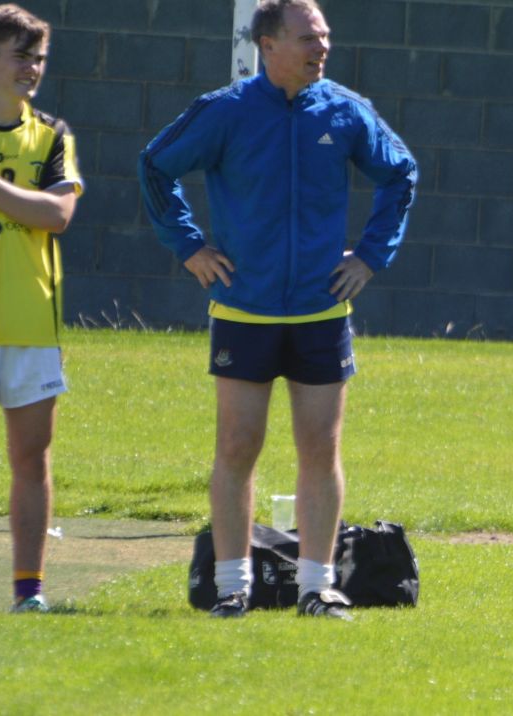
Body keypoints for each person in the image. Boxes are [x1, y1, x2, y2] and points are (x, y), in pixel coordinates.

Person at [139, 0, 417, 620]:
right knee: (238, 447)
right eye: (306, 38)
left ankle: (317, 588)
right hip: (244, 312)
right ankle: (233, 586)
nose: (320, 48)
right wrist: (190, 247)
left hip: (321, 315)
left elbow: (401, 175)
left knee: (320, 448)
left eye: (325, 37)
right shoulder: (227, 112)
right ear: (267, 44)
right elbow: (155, 167)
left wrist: (369, 257)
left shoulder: (345, 110)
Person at [0, 4, 83, 613]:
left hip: (32, 320)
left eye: (39, 57)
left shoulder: (52, 133)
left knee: (31, 457)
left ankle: (28, 592)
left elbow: (57, 215)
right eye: (21, 55)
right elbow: (36, 207)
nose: (33, 68)